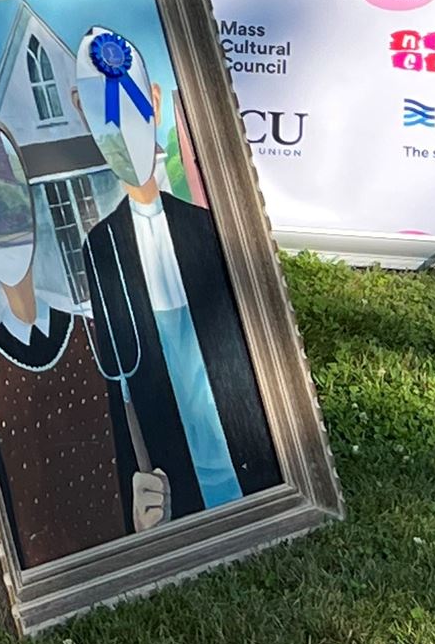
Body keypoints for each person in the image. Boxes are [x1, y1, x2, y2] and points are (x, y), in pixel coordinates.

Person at [67, 29, 281, 520]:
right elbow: (118, 377)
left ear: (156, 103)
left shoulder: (205, 226)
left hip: (241, 438)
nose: (122, 131)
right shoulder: (101, 246)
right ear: (84, 115)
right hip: (171, 460)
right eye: (104, 118)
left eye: (132, 109)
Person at [0, 120, 168, 567]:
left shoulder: (91, 335)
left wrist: (149, 521)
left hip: (123, 551)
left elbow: (135, 441)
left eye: (8, 211)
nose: (0, 236)